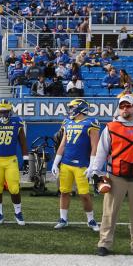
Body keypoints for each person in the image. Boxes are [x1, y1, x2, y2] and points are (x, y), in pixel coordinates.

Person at [89, 94, 133, 256]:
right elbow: (101, 152)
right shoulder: (111, 127)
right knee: (110, 212)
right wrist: (96, 173)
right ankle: (104, 243)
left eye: (128, 106)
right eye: (122, 106)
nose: (125, 109)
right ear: (119, 108)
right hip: (115, 177)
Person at [51, 98, 100, 231]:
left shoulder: (91, 123)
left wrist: (92, 166)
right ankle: (63, 219)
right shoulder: (67, 122)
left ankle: (91, 220)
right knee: (64, 192)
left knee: (84, 194)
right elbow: (63, 144)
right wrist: (55, 163)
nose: (70, 110)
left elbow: (95, 146)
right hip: (66, 163)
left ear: (80, 108)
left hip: (82, 164)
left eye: (72, 108)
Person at [0, 100, 28, 225]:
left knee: (14, 188)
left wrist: (26, 159)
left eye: (4, 112)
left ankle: (18, 212)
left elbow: (22, 142)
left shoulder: (17, 122)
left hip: (11, 159)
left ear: (10, 112)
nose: (1, 115)